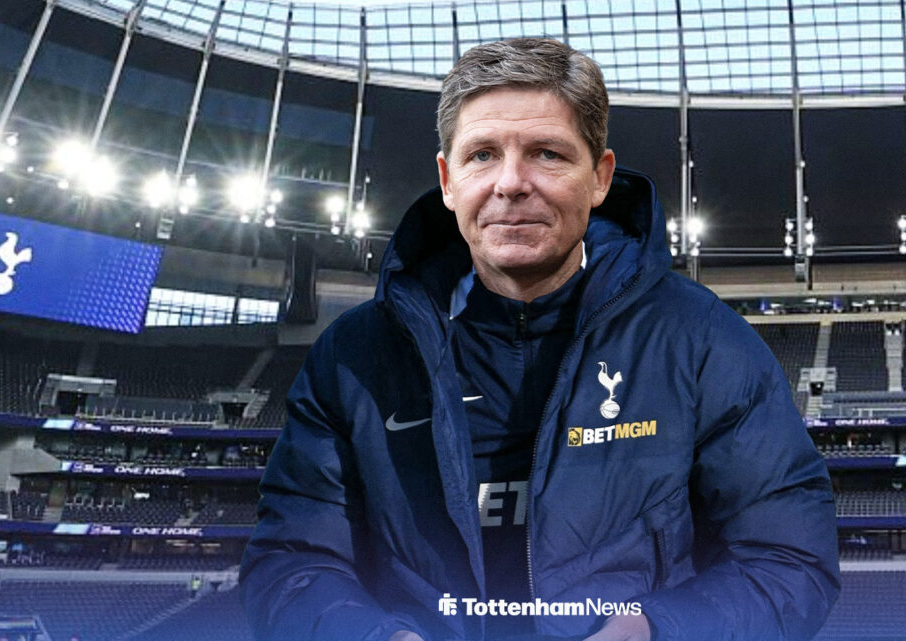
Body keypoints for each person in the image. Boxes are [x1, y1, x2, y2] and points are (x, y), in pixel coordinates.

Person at [240, 38, 839, 641]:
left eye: (547, 154)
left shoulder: (704, 343)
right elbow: (293, 563)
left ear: (600, 177)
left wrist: (657, 630)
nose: (511, 183)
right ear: (448, 181)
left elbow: (787, 559)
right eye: (482, 155)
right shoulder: (352, 359)